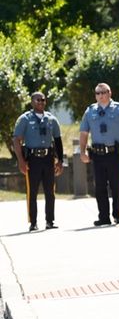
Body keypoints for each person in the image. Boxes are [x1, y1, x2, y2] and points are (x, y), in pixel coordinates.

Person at [79, 83, 119, 226]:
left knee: (116, 185)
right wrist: (82, 151)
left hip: (115, 154)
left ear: (109, 93)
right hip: (97, 155)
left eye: (103, 92)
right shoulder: (90, 111)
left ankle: (118, 214)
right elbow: (84, 133)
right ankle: (103, 217)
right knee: (99, 187)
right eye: (97, 93)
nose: (100, 95)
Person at [13, 92, 64, 231]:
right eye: (37, 100)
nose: (40, 102)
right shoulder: (24, 119)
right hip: (32, 159)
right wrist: (21, 161)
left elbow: (58, 140)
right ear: (32, 102)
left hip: (48, 159)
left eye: (43, 100)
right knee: (32, 192)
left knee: (50, 191)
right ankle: (33, 222)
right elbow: (16, 140)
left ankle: (50, 221)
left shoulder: (51, 119)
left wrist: (60, 161)